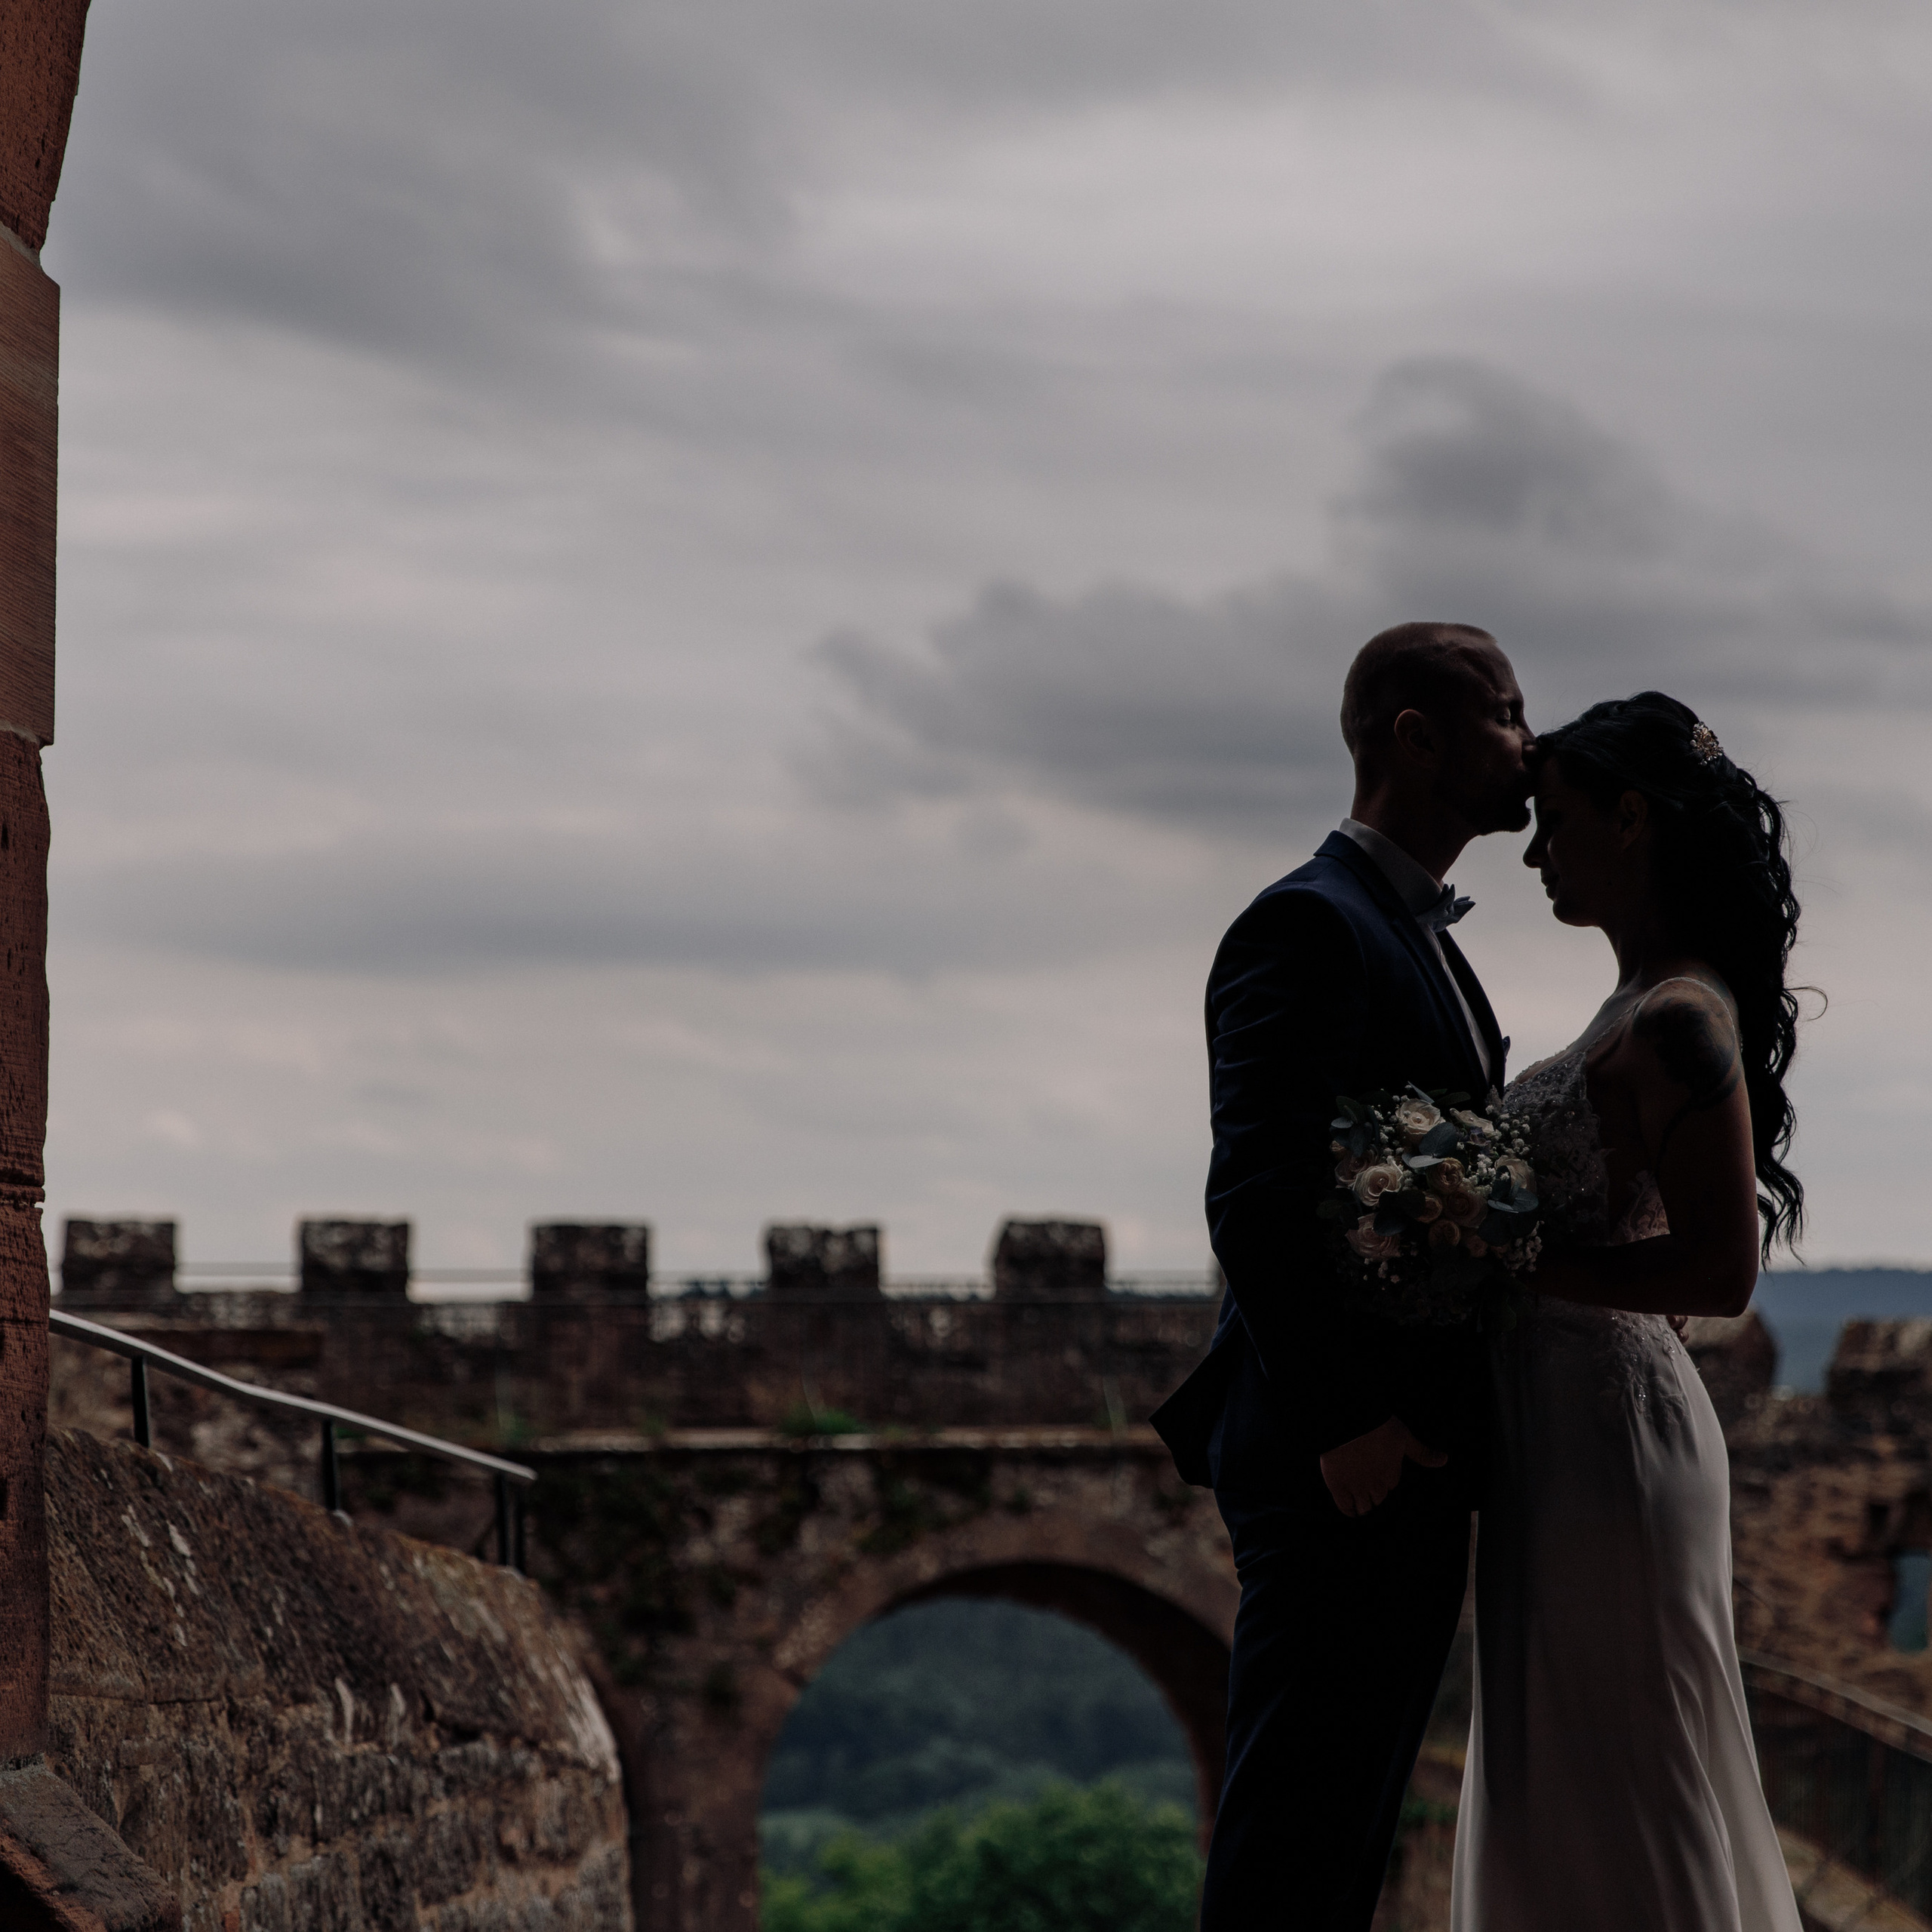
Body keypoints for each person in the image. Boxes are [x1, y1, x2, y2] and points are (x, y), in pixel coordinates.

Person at [1152, 620, 1533, 1930]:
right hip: (1344, 1462)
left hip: (1404, 1456)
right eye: (1506, 713)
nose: (1526, 746)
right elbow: (1255, 1195)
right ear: (1415, 738)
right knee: (1295, 1835)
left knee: (1345, 1829)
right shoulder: (1307, 926)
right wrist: (1347, 1421)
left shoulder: (1424, 939)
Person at [1450, 693, 1805, 1929]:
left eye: (1554, 825)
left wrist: (1509, 1264)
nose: (1538, 854)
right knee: (1575, 1760)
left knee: (1627, 1765)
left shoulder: (1679, 1020)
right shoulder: (1641, 1002)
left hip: (1612, 1441)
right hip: (1561, 1428)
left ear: (1632, 819)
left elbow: (1721, 1275)